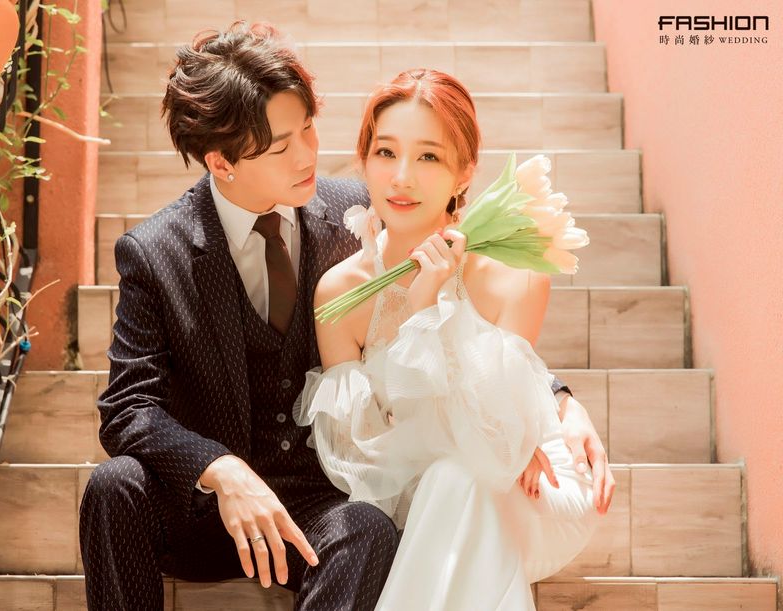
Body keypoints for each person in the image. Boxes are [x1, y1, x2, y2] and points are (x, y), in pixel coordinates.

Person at [78, 22, 612, 611]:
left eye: (308, 127)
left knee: (367, 528)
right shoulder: (157, 251)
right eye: (281, 147)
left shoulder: (358, 209)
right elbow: (128, 407)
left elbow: (468, 303)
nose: (308, 155)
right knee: (113, 485)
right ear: (221, 161)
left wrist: (559, 400)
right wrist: (220, 469)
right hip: (208, 510)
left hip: (314, 502)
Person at [296, 68, 604, 610]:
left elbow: (503, 445)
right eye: (386, 152)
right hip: (420, 492)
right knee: (450, 476)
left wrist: (429, 314)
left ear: (465, 172)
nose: (402, 178)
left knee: (457, 475)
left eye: (429, 157)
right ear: (364, 160)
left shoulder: (513, 276)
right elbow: (359, 461)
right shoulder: (341, 293)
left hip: (531, 486)